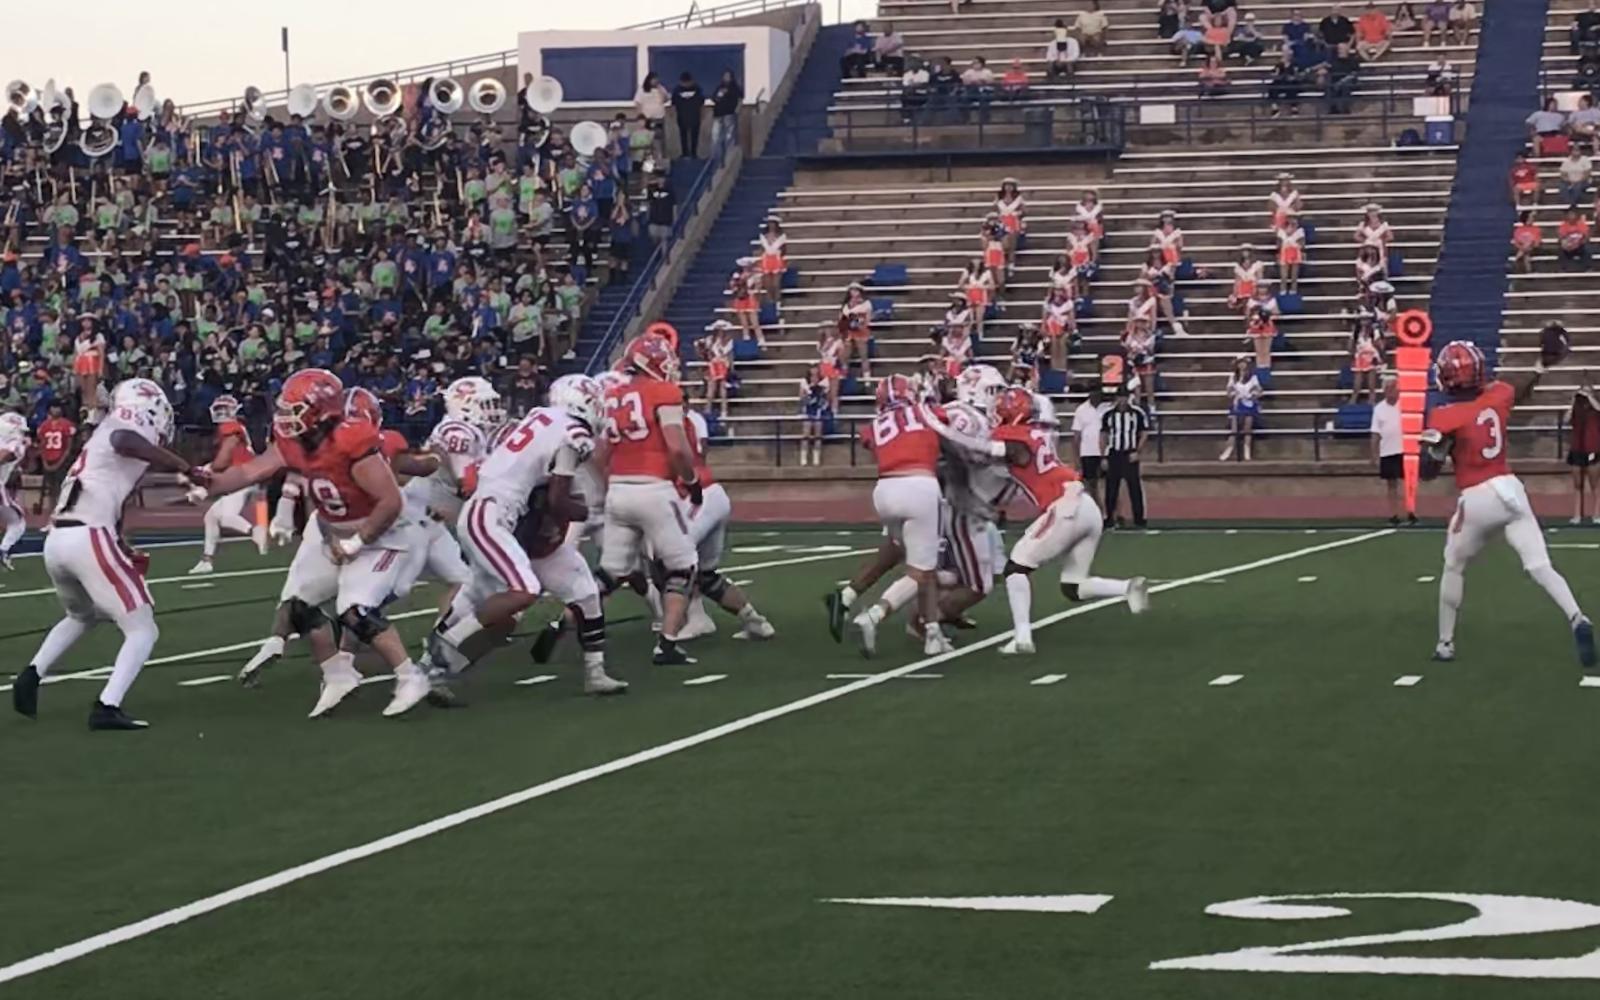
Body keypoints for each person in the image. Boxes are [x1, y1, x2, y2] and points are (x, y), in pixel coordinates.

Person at [199, 370, 434, 718]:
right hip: (332, 532)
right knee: (297, 607)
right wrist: (208, 484)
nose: (284, 416)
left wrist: (357, 542)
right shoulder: (295, 441)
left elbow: (389, 502)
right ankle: (338, 675)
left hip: (380, 538)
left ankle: (410, 676)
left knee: (355, 611)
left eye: (294, 408)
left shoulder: (351, 440)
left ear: (321, 410)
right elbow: (250, 472)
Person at [12, 379, 205, 730]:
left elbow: (111, 498)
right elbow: (125, 440)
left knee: (83, 615)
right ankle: (107, 705)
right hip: (87, 536)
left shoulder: (101, 441)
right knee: (142, 628)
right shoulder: (123, 428)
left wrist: (122, 545)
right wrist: (186, 468)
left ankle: (31, 674)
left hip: (57, 541)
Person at [1423, 340, 1594, 666]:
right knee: (1540, 565)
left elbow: (1429, 473)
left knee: (1453, 564)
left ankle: (1445, 643)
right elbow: (1520, 390)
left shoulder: (1445, 415)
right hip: (1511, 488)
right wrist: (1540, 366)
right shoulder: (1497, 394)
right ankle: (1577, 616)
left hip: (1477, 495)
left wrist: (1435, 450)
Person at [990, 386, 1150, 656]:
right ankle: (1127, 587)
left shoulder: (1012, 437)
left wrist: (954, 439)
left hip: (1065, 506)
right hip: (1084, 505)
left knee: (1017, 567)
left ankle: (1022, 637)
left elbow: (998, 451)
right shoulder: (1035, 433)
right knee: (1073, 587)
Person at [598, 333, 703, 665]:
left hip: (617, 489)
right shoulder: (665, 392)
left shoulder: (612, 395)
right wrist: (692, 481)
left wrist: (611, 484)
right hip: (654, 489)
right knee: (684, 567)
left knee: (609, 574)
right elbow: (677, 448)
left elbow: (600, 454)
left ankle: (563, 623)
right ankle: (667, 643)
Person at [187, 394, 268, 575]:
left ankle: (254, 531)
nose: (222, 413)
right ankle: (207, 561)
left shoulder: (230, 428)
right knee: (212, 516)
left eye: (225, 409)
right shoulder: (235, 426)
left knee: (225, 516)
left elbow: (223, 460)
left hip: (243, 476)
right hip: (246, 475)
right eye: (219, 409)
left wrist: (208, 469)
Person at [1101, 387, 1149, 529]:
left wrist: (1137, 451)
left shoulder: (1137, 413)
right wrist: (1104, 455)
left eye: (1124, 397)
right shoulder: (1108, 415)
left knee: (1134, 487)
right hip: (1114, 453)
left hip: (1130, 453)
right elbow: (1103, 435)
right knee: (1111, 488)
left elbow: (1144, 433)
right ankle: (1109, 518)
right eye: (1119, 397)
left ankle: (1139, 519)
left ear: (1128, 397)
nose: (1122, 400)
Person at [1367, 377, 1411, 525]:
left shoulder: (1406, 406)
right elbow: (1375, 433)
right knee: (1391, 485)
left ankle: (1411, 512)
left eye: (1393, 388)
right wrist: (1374, 455)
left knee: (1409, 484)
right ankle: (1394, 514)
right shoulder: (1379, 409)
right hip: (1387, 451)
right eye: (1387, 389)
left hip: (1405, 450)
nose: (1390, 391)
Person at [35, 402, 77, 515]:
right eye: (53, 407)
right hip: (48, 458)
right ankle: (52, 513)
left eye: (57, 407)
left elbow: (68, 447)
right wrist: (44, 462)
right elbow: (42, 445)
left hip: (62, 459)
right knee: (51, 488)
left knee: (62, 487)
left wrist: (60, 462)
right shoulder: (44, 425)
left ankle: (63, 511)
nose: (55, 410)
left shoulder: (67, 425)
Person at [1569, 376, 1600, 525]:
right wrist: (1572, 402)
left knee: (1594, 483)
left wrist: (1590, 396)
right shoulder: (1577, 407)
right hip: (1577, 447)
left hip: (1592, 447)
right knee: (1577, 484)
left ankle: (1596, 514)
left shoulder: (1595, 407)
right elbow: (1566, 419)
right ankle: (1577, 515)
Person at [1071, 382, 1108, 503]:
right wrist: (1077, 459)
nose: (1095, 394)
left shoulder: (1108, 408)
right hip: (1087, 452)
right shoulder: (1081, 410)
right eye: (1092, 391)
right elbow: (1076, 436)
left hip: (1107, 452)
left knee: (1110, 484)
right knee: (1091, 485)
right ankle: (1097, 511)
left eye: (1097, 391)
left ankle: (1113, 515)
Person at [0, 412, 28, 569]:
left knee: (16, 521)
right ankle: (3, 551)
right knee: (17, 523)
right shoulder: (16, 442)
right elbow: (6, 455)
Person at [1220, 356, 1261, 461]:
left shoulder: (1253, 377)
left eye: (1244, 363)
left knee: (1248, 427)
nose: (1242, 365)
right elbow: (1229, 391)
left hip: (1249, 404)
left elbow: (1259, 390)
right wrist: (1234, 394)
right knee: (1234, 428)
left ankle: (1247, 451)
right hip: (1237, 404)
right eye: (1240, 363)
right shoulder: (1233, 377)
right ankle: (1229, 448)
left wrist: (1253, 394)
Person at [798, 364, 830, 467]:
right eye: (812, 375)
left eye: (816, 375)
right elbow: (801, 399)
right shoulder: (804, 383)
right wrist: (809, 394)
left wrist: (821, 396)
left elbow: (826, 398)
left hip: (819, 411)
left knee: (818, 434)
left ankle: (816, 457)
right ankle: (803, 457)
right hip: (808, 410)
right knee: (806, 433)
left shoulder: (824, 382)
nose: (814, 377)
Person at [671, 72, 706, 159]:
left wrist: (702, 114)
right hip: (682, 116)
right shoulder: (677, 90)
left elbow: (702, 102)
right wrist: (673, 114)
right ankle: (685, 153)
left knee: (694, 135)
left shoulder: (697, 89)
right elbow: (673, 103)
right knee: (683, 135)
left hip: (695, 116)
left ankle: (693, 153)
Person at [710, 70, 743, 151]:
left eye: (728, 76)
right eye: (725, 76)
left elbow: (740, 98)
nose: (726, 78)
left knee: (729, 136)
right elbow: (714, 98)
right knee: (716, 136)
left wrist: (737, 109)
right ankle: (716, 156)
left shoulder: (734, 87)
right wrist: (719, 95)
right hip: (718, 114)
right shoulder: (719, 87)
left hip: (729, 114)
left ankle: (729, 155)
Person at [1559, 207, 1593, 272]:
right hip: (1568, 247)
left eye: (1573, 214)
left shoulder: (1581, 224)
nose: (1571, 216)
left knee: (1586, 249)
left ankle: (1588, 268)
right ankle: (1563, 269)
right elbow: (1561, 237)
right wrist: (1566, 244)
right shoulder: (1564, 225)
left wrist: (1579, 243)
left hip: (1579, 246)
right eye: (1570, 214)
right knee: (1561, 251)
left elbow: (1586, 236)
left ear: (1576, 215)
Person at [1511, 209, 1543, 274]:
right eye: (1530, 217)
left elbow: (1537, 242)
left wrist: (1529, 245)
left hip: (1533, 248)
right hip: (1523, 249)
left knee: (1527, 246)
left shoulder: (1536, 229)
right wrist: (1523, 248)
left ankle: (1515, 261)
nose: (1532, 219)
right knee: (1526, 255)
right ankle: (1529, 271)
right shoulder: (1518, 230)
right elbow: (1516, 243)